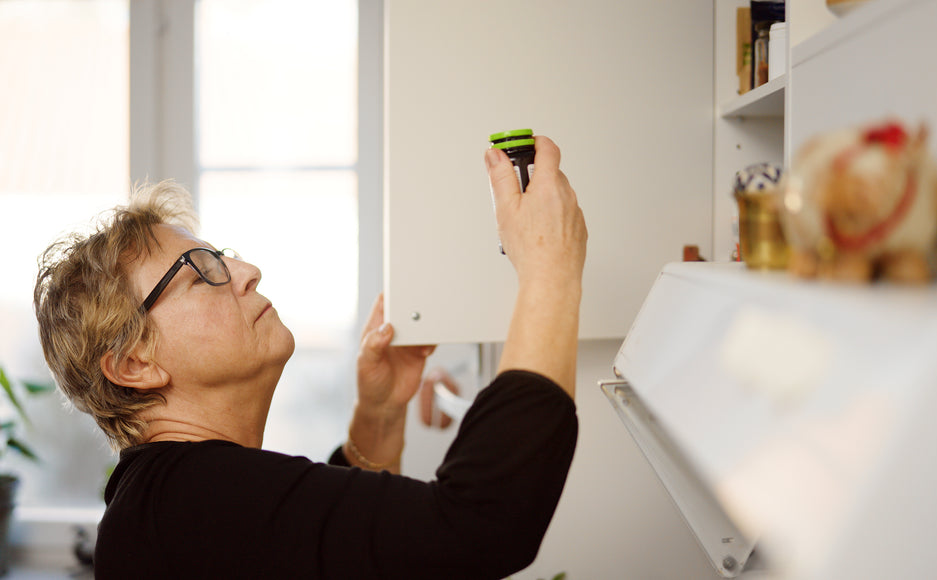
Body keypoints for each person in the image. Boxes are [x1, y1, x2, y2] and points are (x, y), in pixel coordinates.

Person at [33, 136, 587, 579]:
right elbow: (476, 526)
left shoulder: (173, 500)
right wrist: (549, 267)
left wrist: (381, 412)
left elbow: (322, 543)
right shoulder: (188, 500)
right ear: (134, 364)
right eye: (201, 270)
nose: (247, 272)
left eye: (225, 257)